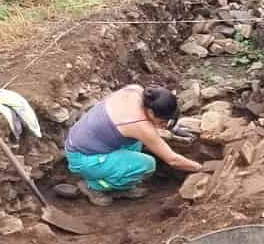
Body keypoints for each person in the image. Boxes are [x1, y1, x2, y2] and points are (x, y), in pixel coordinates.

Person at [64, 84, 201, 206]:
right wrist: (200, 168)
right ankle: (95, 186)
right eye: (164, 121)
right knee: (148, 164)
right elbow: (173, 160)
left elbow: (150, 121)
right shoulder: (138, 125)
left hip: (82, 140)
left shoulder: (136, 91)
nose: (165, 125)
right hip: (84, 158)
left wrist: (173, 127)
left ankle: (115, 175)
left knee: (136, 141)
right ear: (151, 112)